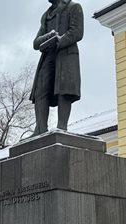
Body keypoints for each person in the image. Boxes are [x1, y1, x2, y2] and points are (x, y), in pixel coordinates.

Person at [30, 0, 84, 136]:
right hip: (48, 55)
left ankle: (62, 127)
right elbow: (36, 43)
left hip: (65, 54)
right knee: (40, 90)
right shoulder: (46, 15)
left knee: (64, 88)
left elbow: (77, 32)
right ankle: (40, 129)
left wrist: (59, 40)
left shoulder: (73, 7)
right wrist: (49, 37)